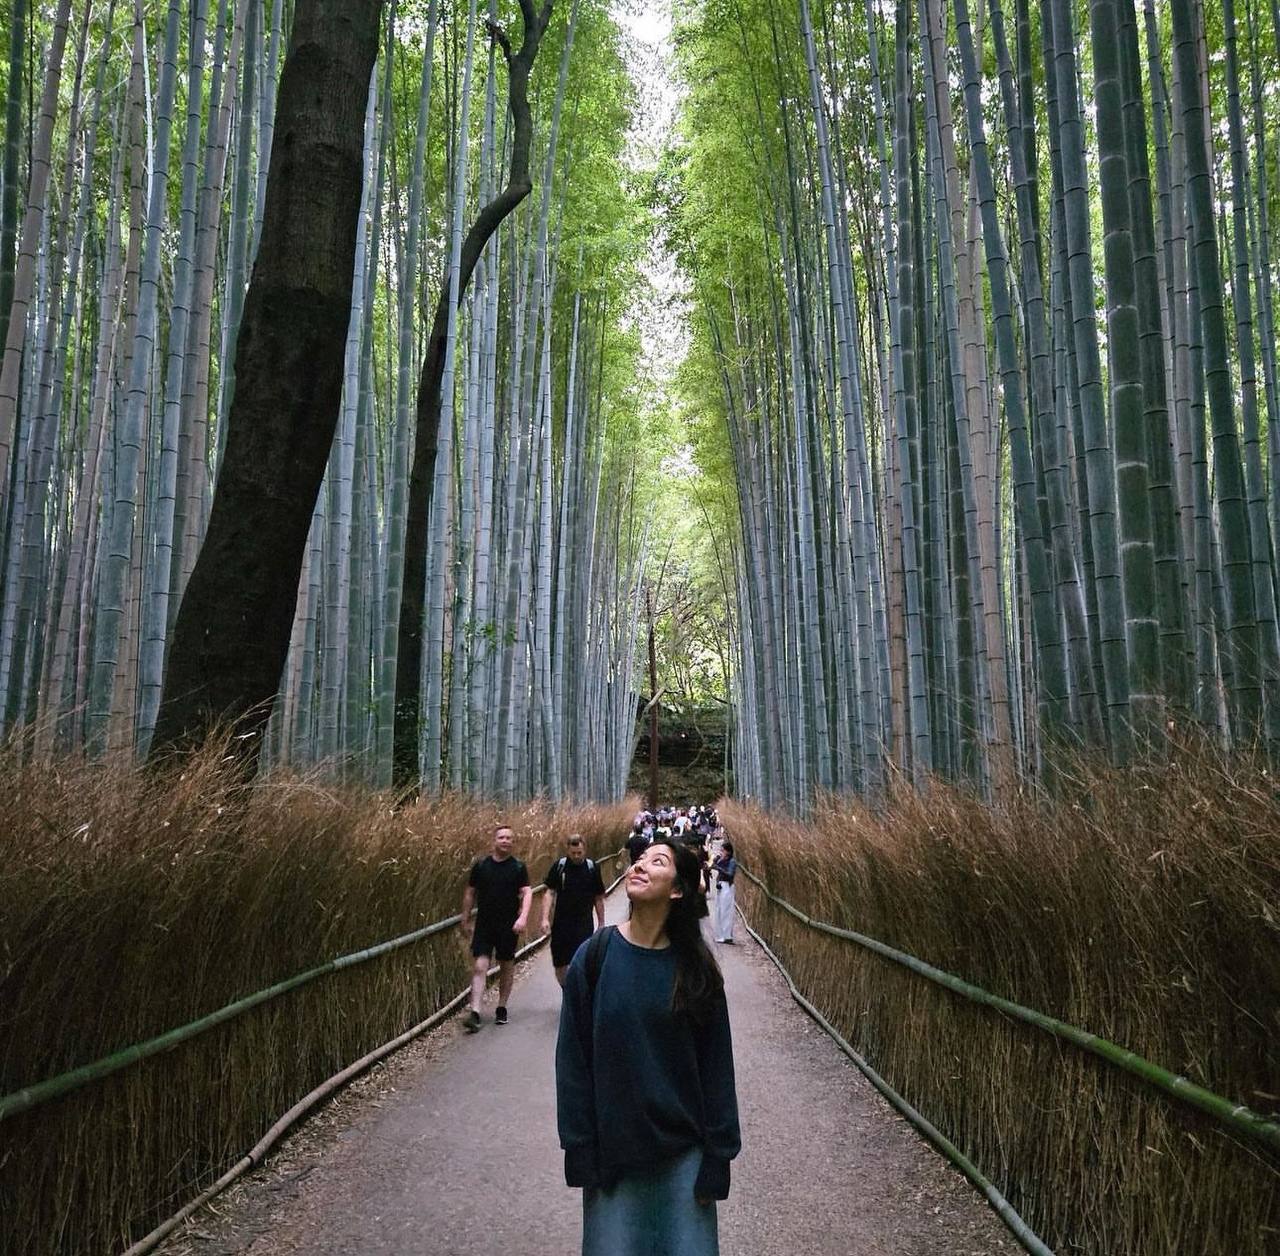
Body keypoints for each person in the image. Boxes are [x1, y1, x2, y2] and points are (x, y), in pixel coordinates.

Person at [556, 839, 740, 1256]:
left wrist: (719, 1156)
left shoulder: (696, 971)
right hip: (613, 1157)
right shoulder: (595, 956)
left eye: (657, 862)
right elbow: (572, 1061)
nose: (640, 865)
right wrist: (579, 1145)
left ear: (677, 890)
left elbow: (716, 1068)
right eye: (640, 859)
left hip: (684, 1157)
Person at [459, 823, 531, 1031]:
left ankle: (501, 1006)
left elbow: (526, 892)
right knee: (480, 966)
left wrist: (523, 917)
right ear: (494, 841)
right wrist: (465, 918)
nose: (506, 841)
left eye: (509, 838)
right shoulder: (482, 866)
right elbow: (470, 892)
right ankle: (475, 1012)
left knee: (506, 965)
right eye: (502, 838)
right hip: (484, 923)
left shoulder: (518, 867)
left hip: (508, 926)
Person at [542, 834, 606, 986]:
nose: (576, 856)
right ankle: (566, 989)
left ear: (585, 850)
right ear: (568, 850)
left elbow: (598, 897)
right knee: (560, 963)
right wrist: (544, 918)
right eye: (573, 853)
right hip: (561, 923)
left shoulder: (592, 868)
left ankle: (578, 994)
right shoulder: (560, 866)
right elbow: (549, 892)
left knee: (582, 961)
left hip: (584, 923)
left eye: (579, 853)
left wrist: (601, 923)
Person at [712, 841, 737, 945]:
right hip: (721, 886)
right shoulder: (722, 860)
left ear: (728, 851)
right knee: (719, 910)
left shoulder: (732, 862)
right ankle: (721, 935)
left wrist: (719, 869)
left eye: (723, 850)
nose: (721, 852)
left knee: (726, 911)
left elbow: (730, 874)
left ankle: (727, 936)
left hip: (727, 886)